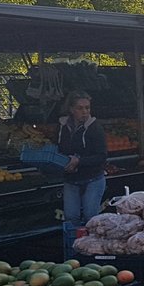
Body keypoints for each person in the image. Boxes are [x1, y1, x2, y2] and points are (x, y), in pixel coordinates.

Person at [57, 90, 107, 228]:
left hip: (93, 179)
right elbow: (61, 150)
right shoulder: (63, 127)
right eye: (80, 108)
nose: (85, 111)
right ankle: (73, 247)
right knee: (71, 218)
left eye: (87, 108)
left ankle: (91, 248)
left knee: (90, 219)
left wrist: (79, 161)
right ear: (72, 109)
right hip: (71, 180)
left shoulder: (95, 128)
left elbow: (102, 156)